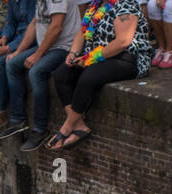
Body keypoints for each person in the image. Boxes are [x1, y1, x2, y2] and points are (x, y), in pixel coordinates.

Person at [47, 0, 155, 150]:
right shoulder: (95, 5)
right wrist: (73, 53)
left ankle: (67, 127)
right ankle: (78, 124)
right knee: (62, 73)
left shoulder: (126, 6)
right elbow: (82, 32)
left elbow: (123, 42)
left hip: (126, 58)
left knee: (89, 76)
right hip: (94, 57)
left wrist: (89, 59)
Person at [0, 0, 83, 152]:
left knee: (36, 72)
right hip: (47, 45)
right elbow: (34, 24)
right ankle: (18, 120)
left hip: (64, 47)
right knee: (12, 64)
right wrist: (18, 51)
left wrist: (38, 54)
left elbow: (57, 27)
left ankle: (40, 129)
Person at [0, 0, 38, 133]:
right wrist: (4, 38)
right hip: (17, 37)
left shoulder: (32, 3)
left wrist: (10, 47)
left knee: (2, 63)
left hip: (31, 40)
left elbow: (32, 30)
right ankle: (5, 51)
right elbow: (11, 23)